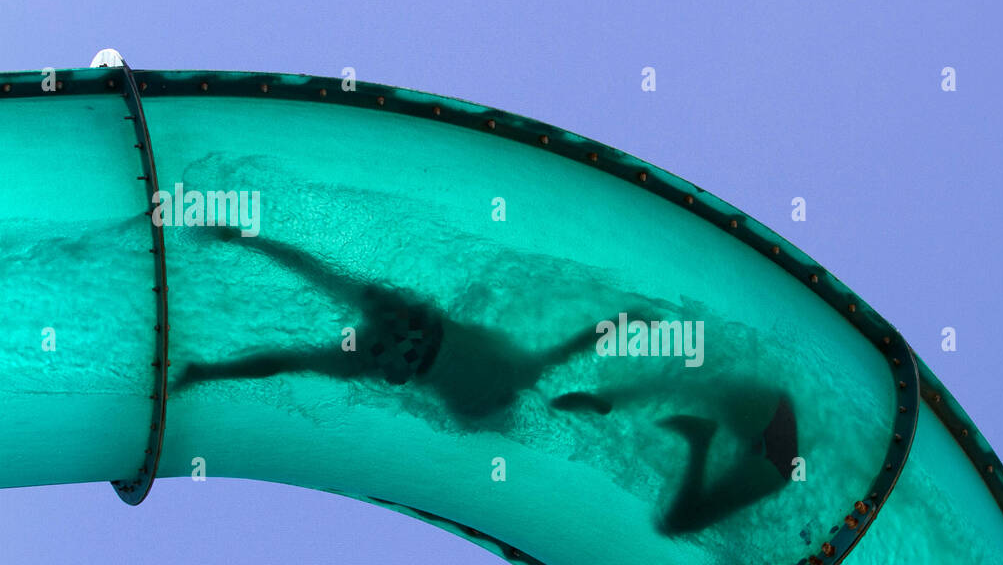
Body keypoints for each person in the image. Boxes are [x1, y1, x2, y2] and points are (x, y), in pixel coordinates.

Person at [173, 226, 799, 534]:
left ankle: (656, 410)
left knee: (552, 384)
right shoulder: (377, 348)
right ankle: (660, 412)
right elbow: (291, 336)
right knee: (551, 383)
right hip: (473, 377)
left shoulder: (385, 342)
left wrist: (244, 240)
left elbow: (298, 310)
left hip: (473, 375)